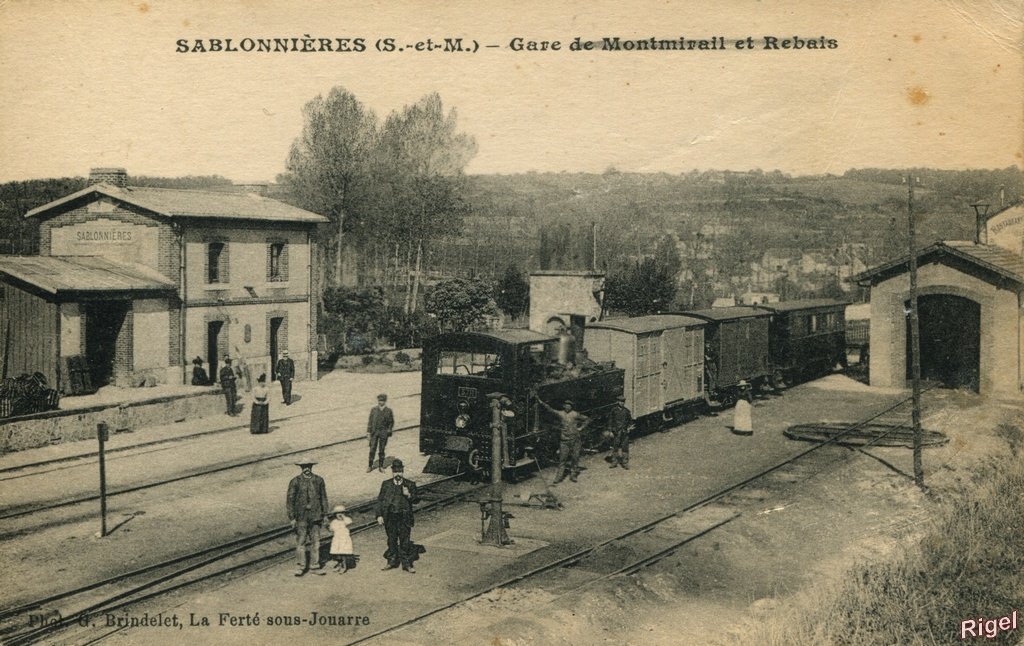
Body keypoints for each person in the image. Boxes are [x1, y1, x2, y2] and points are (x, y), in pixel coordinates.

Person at [375, 458, 420, 573]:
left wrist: (408, 494)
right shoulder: (386, 484)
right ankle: (391, 562)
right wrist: (379, 515)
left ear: (403, 471)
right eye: (395, 471)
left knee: (405, 541)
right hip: (390, 517)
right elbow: (380, 501)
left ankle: (407, 564)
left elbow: (416, 500)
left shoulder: (409, 484)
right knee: (391, 540)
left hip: (404, 518)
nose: (398, 474)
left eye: (400, 471)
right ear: (392, 472)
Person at [287, 460, 330, 576]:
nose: (307, 469)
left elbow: (324, 498)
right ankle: (300, 566)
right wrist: (292, 518)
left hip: (316, 517)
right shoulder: (295, 481)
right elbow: (290, 501)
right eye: (304, 467)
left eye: (308, 467)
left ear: (311, 467)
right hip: (301, 517)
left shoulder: (319, 480)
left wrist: (325, 515)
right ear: (301, 468)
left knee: (315, 542)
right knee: (301, 542)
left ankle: (314, 566)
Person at [535, 395, 590, 483]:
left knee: (575, 458)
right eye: (566, 405)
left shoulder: (575, 414)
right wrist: (540, 401)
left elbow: (587, 419)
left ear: (571, 407)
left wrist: (581, 428)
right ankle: (559, 477)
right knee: (562, 460)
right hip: (564, 441)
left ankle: (573, 475)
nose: (567, 407)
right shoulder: (561, 414)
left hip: (575, 440)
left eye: (569, 405)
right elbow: (550, 409)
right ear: (563, 406)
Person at [367, 393, 394, 473]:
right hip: (374, 433)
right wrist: (368, 432)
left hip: (383, 433)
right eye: (379, 400)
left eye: (382, 401)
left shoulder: (388, 411)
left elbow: (391, 422)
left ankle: (381, 466)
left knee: (381, 450)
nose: (380, 402)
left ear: (385, 401)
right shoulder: (374, 410)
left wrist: (389, 430)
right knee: (372, 449)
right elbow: (370, 421)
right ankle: (370, 465)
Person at [606, 395, 633, 469]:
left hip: (624, 432)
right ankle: (614, 462)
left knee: (625, 447)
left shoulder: (626, 411)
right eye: (621, 401)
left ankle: (625, 463)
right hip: (616, 432)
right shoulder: (614, 411)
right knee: (615, 447)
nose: (622, 403)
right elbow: (610, 421)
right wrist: (610, 431)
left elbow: (630, 421)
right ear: (618, 402)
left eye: (623, 402)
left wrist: (629, 427)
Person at [328, 505, 355, 573]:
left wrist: (344, 517)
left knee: (343, 553)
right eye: (338, 513)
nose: (339, 515)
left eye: (342, 513)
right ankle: (339, 565)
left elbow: (349, 522)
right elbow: (331, 529)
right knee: (337, 553)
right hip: (337, 539)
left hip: (344, 539)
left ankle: (344, 566)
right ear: (335, 515)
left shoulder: (345, 520)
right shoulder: (334, 521)